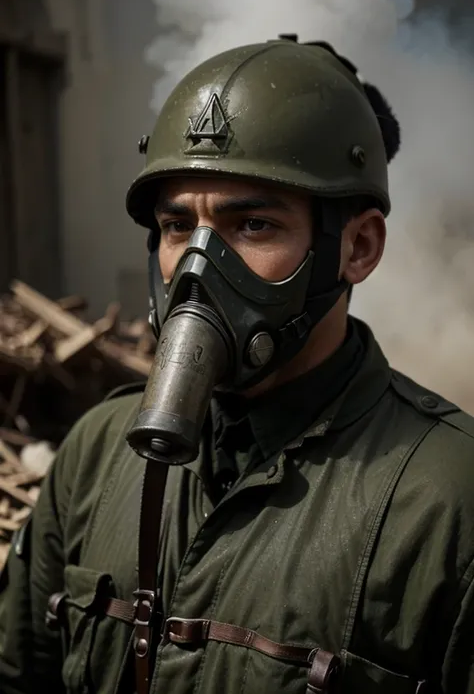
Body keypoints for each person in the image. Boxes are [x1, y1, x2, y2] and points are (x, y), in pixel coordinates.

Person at [1, 37, 473, 694]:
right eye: (175, 227)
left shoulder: (449, 499)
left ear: (358, 247)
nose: (198, 266)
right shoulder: (98, 454)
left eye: (252, 226)